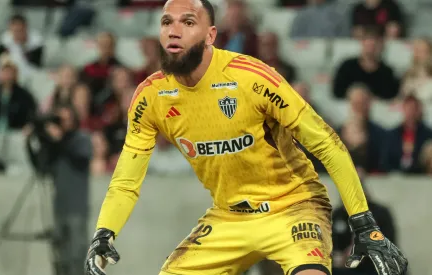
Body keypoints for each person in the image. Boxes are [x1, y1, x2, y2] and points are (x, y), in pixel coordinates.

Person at [85, 1, 408, 275]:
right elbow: (126, 179)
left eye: (188, 22)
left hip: (294, 206)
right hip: (229, 215)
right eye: (167, 21)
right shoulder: (150, 96)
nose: (174, 30)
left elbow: (327, 143)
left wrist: (363, 221)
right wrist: (105, 231)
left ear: (211, 35)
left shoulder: (252, 77)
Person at [44, 104, 92, 275]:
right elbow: (41, 167)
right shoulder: (56, 145)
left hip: (76, 208)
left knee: (77, 255)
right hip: (60, 208)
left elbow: (79, 158)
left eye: (64, 119)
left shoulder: (82, 139)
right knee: (60, 256)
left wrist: (58, 139)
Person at [332, 170, 397, 275]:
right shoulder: (338, 214)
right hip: (345, 267)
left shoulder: (380, 213)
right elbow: (333, 243)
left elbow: (389, 245)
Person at [333, 27, 399, 100]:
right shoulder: (347, 67)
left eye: (374, 44)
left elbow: (391, 97)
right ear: (362, 43)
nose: (371, 48)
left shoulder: (387, 72)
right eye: (368, 44)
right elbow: (337, 92)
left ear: (381, 46)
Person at [381, 95, 432, 174]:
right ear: (403, 109)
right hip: (395, 177)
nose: (411, 113)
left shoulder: (428, 134)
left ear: (419, 111)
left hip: (419, 177)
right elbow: (386, 159)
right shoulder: (392, 134)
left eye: (414, 109)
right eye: (409, 109)